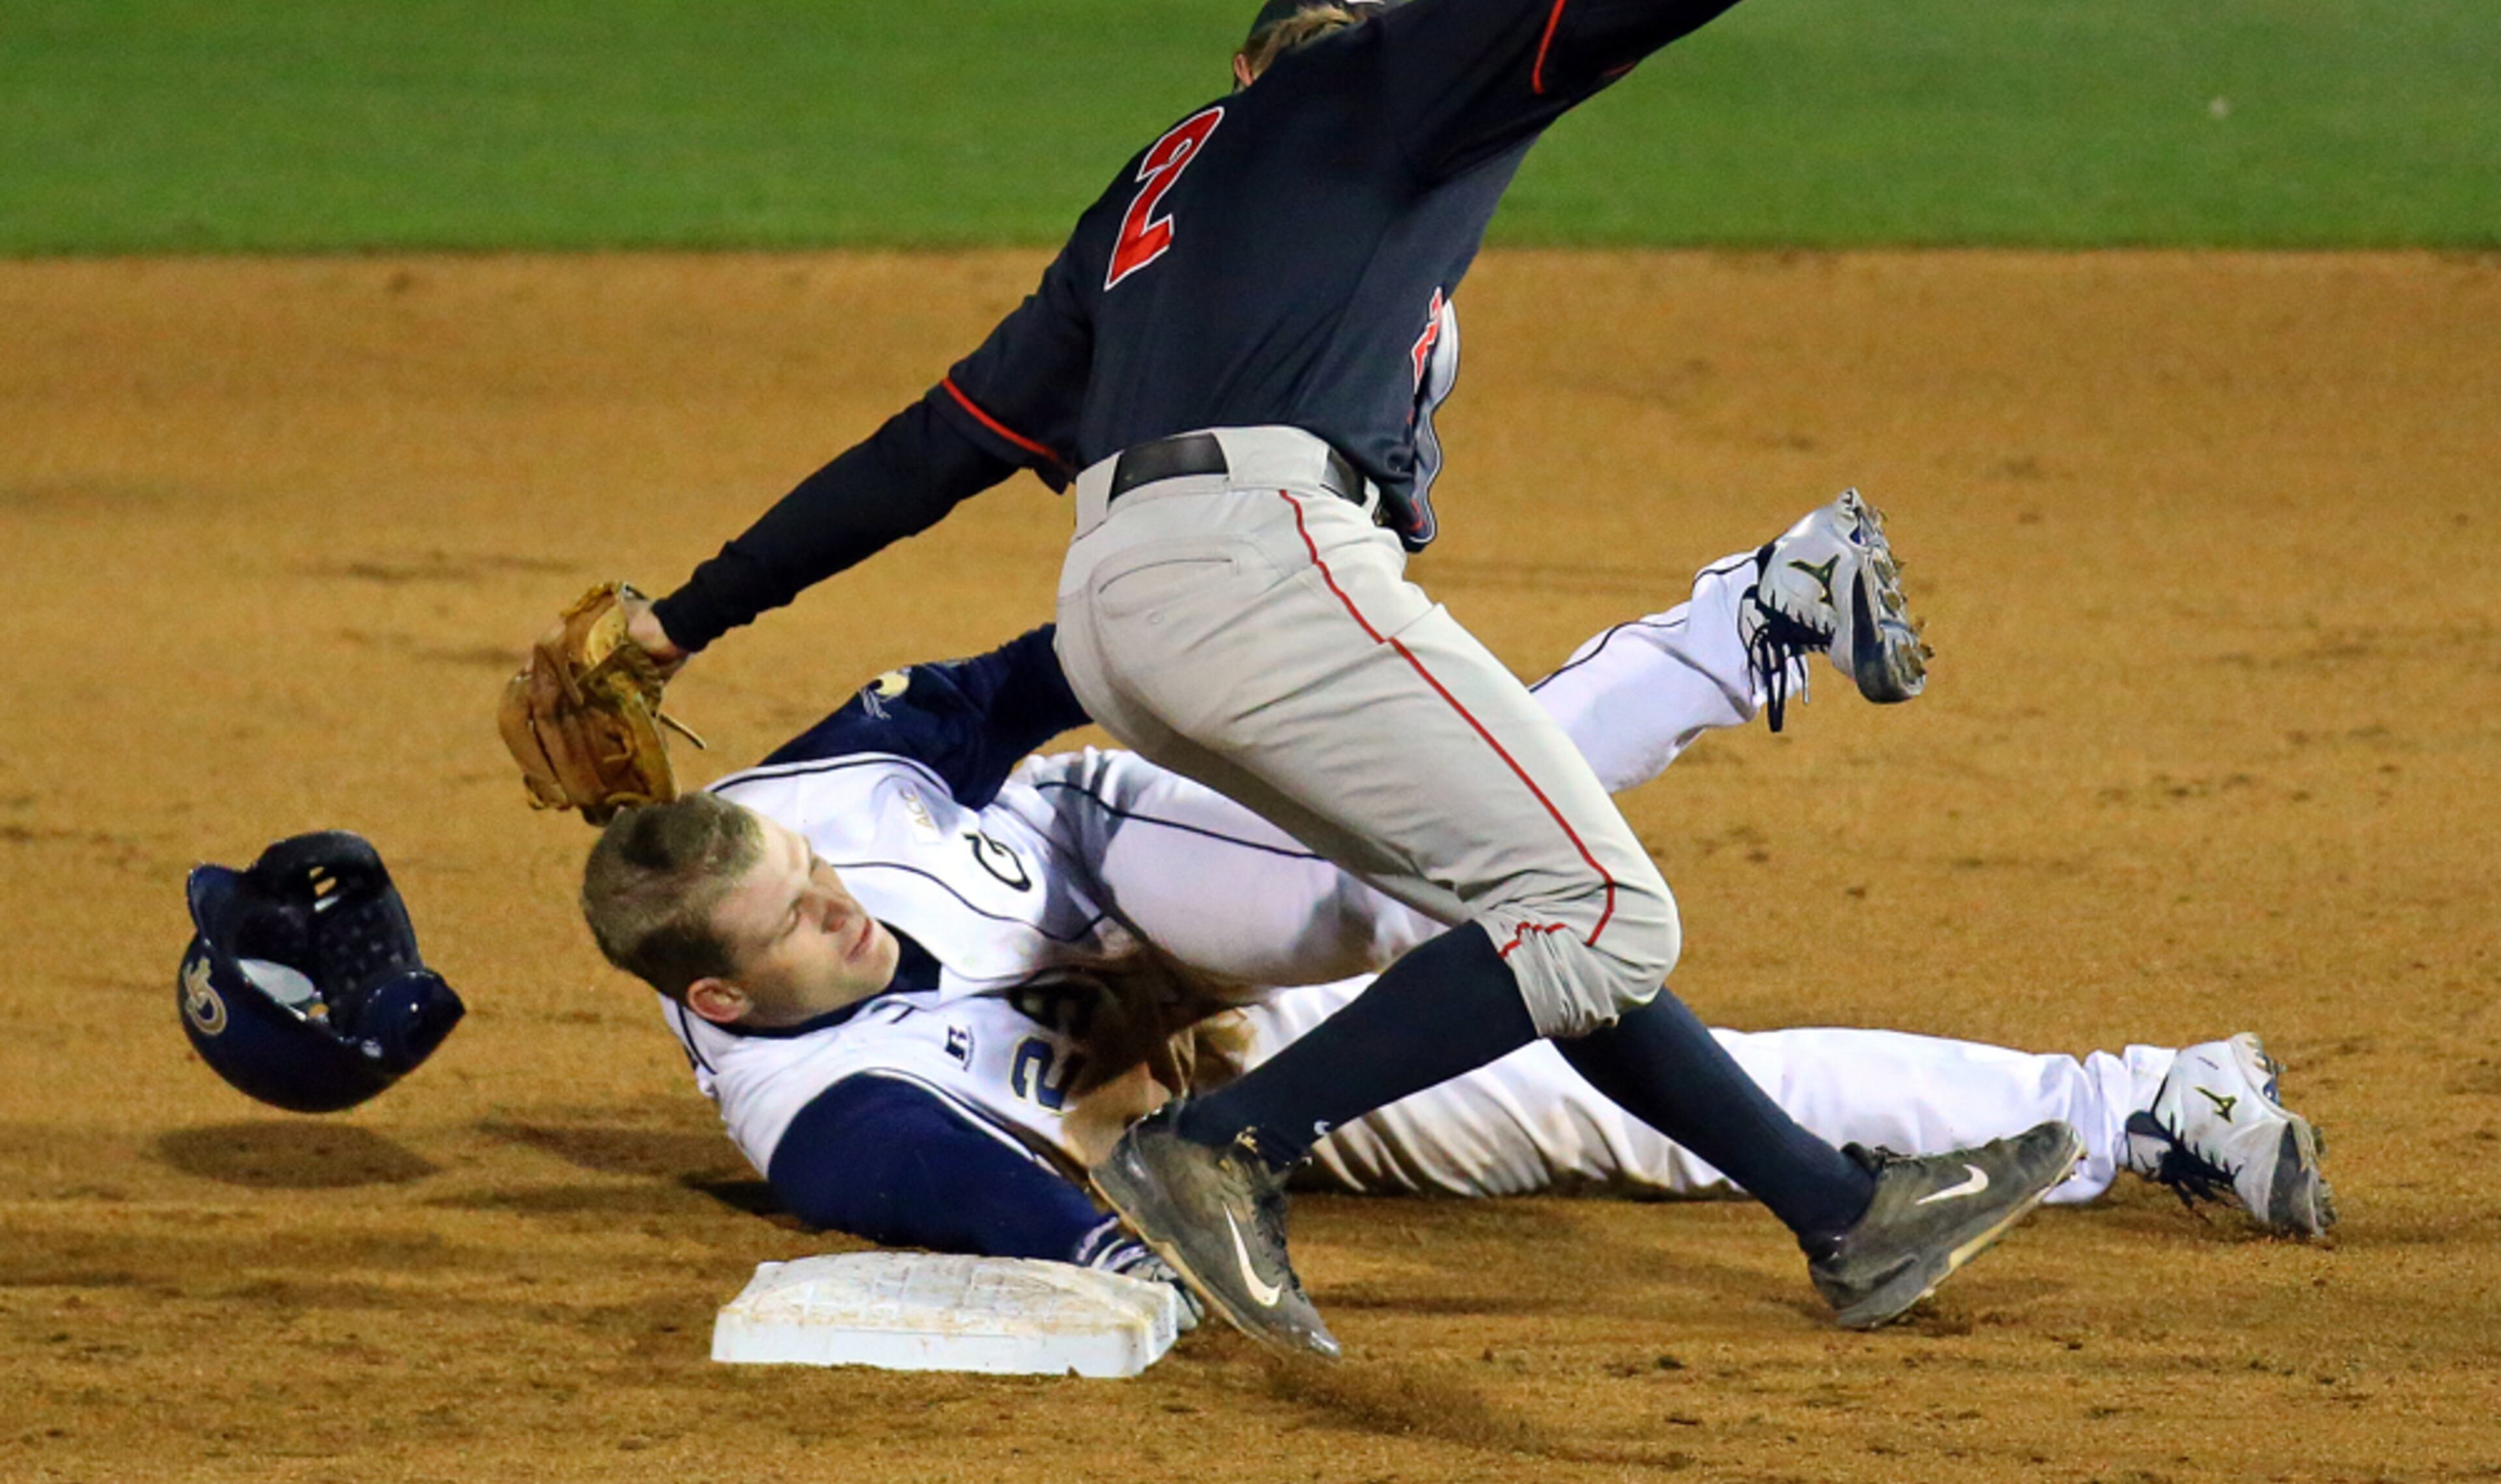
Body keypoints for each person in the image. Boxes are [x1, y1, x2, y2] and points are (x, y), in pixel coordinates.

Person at [599, 0, 2110, 1351]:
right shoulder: (1386, 81)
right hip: (1257, 558)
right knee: (1600, 914)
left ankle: (1848, 1215)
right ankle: (1229, 1143)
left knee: (1507, 911)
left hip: (1113, 614)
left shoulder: (1145, 209)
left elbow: (939, 446)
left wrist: (683, 617)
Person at [580, 535, 2327, 1319]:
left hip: (1136, 866)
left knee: (1419, 868)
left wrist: (1223, 600)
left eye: (810, 872)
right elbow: (1000, 1214)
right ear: (728, 999)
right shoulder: (824, 1119)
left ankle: (1742, 627)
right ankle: (2157, 1107)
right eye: (800, 929)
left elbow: (1022, 682)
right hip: (1215, 1082)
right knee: (1623, 1078)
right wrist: (1118, 1247)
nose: (840, 904)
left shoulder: (810, 801)